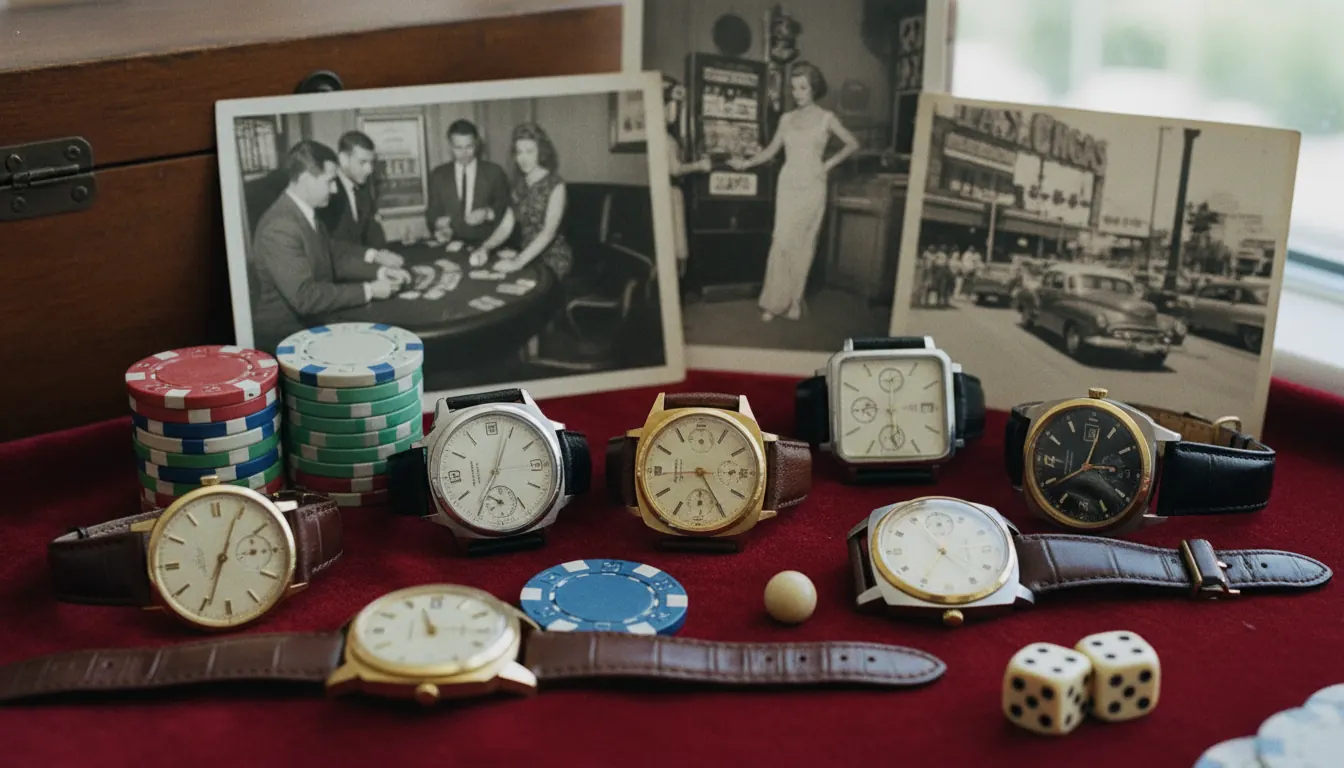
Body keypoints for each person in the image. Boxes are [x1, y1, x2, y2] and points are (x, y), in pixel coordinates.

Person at [729, 61, 860, 322]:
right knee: (781, 240)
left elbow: (853, 143)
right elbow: (770, 151)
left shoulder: (827, 118)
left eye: (803, 87)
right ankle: (773, 302)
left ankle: (795, 301)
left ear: (814, 89)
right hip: (788, 184)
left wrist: (826, 165)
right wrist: (745, 164)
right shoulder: (786, 119)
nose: (797, 93)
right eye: (794, 88)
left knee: (805, 243)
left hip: (812, 185)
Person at [250, 140, 409, 354]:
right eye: (330, 181)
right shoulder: (279, 227)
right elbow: (305, 297)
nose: (335, 189)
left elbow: (334, 258)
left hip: (310, 326)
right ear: (306, 180)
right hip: (285, 339)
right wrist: (369, 290)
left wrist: (380, 272)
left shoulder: (307, 214)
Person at [425, 119, 514, 268]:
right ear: (449, 146)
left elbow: (506, 210)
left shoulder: (494, 172)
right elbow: (432, 213)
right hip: (451, 249)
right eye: (458, 148)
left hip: (488, 247)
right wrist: (439, 227)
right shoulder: (438, 175)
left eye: (469, 147)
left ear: (477, 144)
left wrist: (487, 213)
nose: (464, 153)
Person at [493, 122, 573, 279]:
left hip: (553, 259)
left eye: (530, 151)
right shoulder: (518, 183)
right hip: (527, 255)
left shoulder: (556, 184)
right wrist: (485, 247)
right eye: (519, 152)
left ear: (541, 152)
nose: (523, 158)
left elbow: (548, 233)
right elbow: (505, 225)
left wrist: (517, 262)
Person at [662, 75, 712, 279]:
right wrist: (700, 165)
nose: (676, 109)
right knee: (675, 246)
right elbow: (674, 169)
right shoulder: (665, 138)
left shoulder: (666, 135)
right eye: (672, 103)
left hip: (668, 192)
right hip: (670, 192)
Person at [319, 130, 386, 248]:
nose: (369, 169)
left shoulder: (364, 190)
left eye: (371, 162)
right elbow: (333, 244)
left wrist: (383, 255)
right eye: (363, 162)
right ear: (343, 159)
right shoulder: (328, 191)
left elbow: (373, 234)